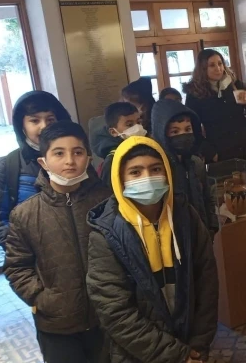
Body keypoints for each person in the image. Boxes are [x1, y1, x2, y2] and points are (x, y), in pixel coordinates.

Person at [86, 136, 218, 363]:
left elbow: (206, 283)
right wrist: (176, 355)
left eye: (155, 169)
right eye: (135, 172)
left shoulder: (186, 217)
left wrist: (197, 346)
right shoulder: (106, 234)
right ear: (120, 179)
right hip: (138, 354)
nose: (147, 178)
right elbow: (116, 312)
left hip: (190, 345)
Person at [3, 121, 111, 362]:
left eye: (78, 152)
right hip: (57, 326)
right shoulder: (25, 214)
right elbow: (16, 266)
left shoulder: (106, 202)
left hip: (107, 319)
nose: (70, 161)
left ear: (88, 158)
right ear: (43, 161)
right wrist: (42, 299)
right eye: (59, 153)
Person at [0, 90, 71, 248]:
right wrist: (22, 249)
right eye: (35, 121)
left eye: (50, 119)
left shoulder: (74, 159)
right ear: (22, 126)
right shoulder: (7, 165)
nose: (44, 126)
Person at [151, 99, 219, 236]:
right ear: (162, 133)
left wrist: (212, 225)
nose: (183, 135)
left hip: (201, 233)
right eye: (175, 132)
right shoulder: (158, 169)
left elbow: (207, 197)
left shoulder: (196, 163)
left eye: (188, 129)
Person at [184, 49, 246, 163]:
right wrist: (211, 153)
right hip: (222, 153)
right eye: (212, 65)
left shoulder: (234, 84)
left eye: (220, 63)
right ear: (203, 68)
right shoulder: (195, 94)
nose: (218, 68)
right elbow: (192, 129)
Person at [97, 102, 147, 188]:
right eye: (130, 125)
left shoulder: (148, 148)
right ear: (113, 132)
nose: (137, 127)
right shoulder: (112, 161)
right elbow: (108, 192)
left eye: (139, 122)